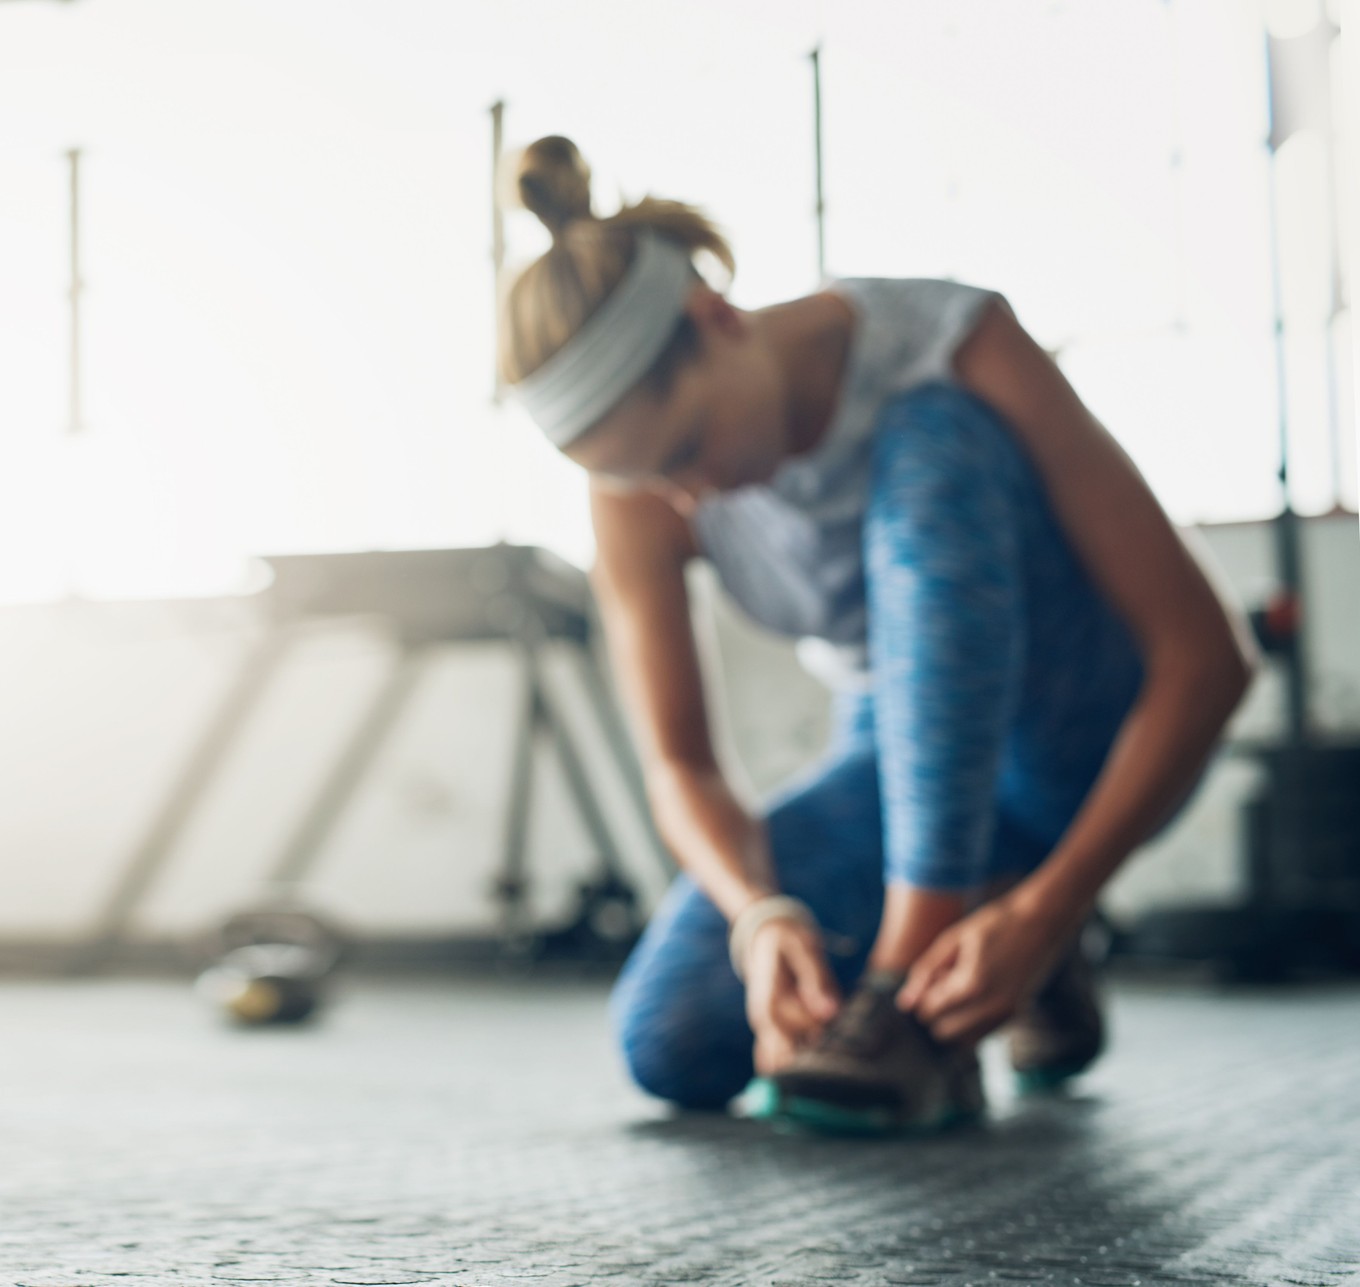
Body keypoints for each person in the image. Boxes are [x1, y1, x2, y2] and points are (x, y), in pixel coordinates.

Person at [499, 136, 1254, 1132]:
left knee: (931, 440)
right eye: (648, 479)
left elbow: (1207, 662)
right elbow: (679, 765)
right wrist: (757, 915)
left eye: (686, 449)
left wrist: (1057, 904)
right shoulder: (641, 479)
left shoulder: (951, 339)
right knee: (672, 1039)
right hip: (897, 767)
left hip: (1079, 736)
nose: (685, 496)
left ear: (716, 319)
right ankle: (983, 925)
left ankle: (920, 979)